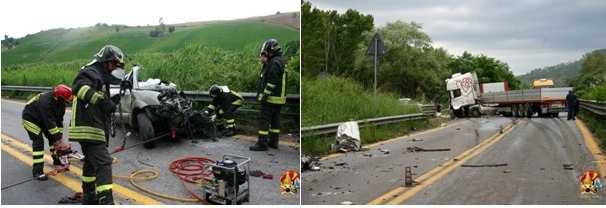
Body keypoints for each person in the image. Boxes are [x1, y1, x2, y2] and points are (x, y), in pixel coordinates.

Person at [69, 45, 125, 204]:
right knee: (104, 162)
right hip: (88, 127)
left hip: (90, 127)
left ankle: (89, 197)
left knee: (91, 162)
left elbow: (101, 102)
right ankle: (106, 202)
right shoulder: (91, 72)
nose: (115, 68)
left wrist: (112, 101)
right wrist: (102, 101)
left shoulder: (101, 75)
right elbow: (79, 88)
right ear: (106, 61)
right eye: (114, 64)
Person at [22, 84, 72, 181]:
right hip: (31, 118)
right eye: (66, 101)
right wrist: (59, 141)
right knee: (38, 142)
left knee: (54, 140)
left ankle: (58, 163)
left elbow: (59, 122)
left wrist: (59, 139)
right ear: (59, 98)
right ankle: (37, 171)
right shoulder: (45, 102)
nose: (67, 103)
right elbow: (49, 123)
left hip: (44, 119)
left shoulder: (61, 104)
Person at [250, 39, 287, 151]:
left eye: (266, 52)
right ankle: (273, 142)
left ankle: (262, 143)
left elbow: (271, 82)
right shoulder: (280, 61)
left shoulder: (274, 63)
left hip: (271, 98)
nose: (265, 54)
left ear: (271, 50)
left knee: (264, 120)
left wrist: (264, 95)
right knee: (275, 121)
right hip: (279, 99)